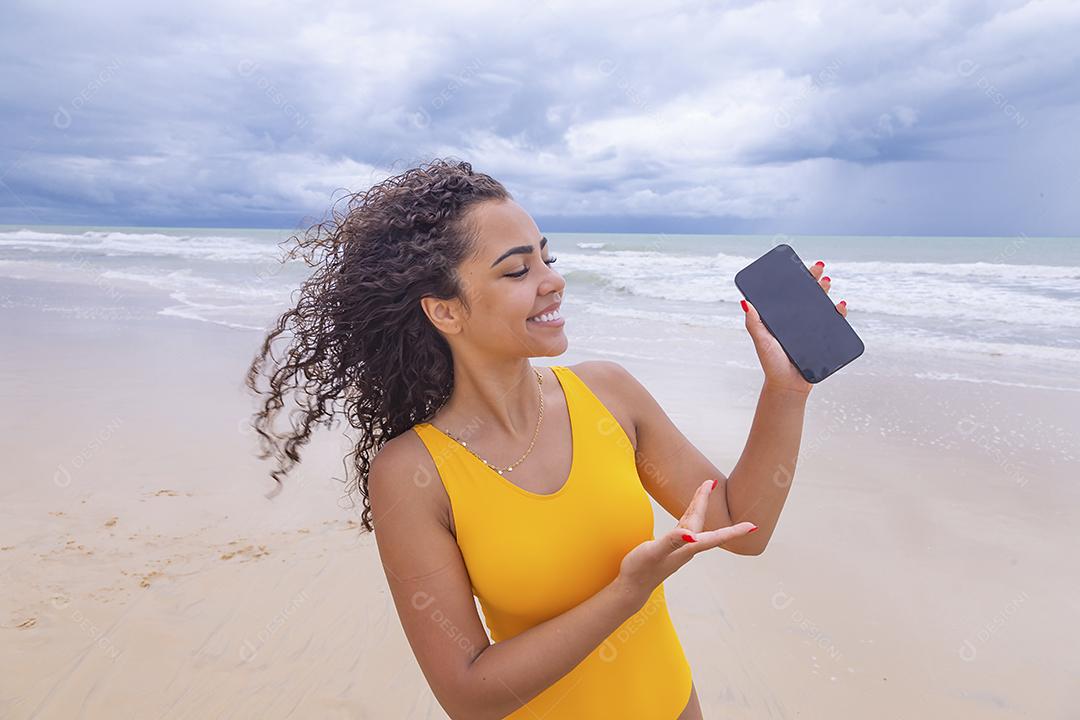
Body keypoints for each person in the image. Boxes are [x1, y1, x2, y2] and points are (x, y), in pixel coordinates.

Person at [246, 158, 848, 719]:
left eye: (547, 257)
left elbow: (743, 527)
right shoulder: (412, 473)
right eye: (517, 269)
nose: (552, 281)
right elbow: (469, 693)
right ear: (446, 312)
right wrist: (627, 592)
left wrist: (786, 393)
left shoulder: (608, 394)